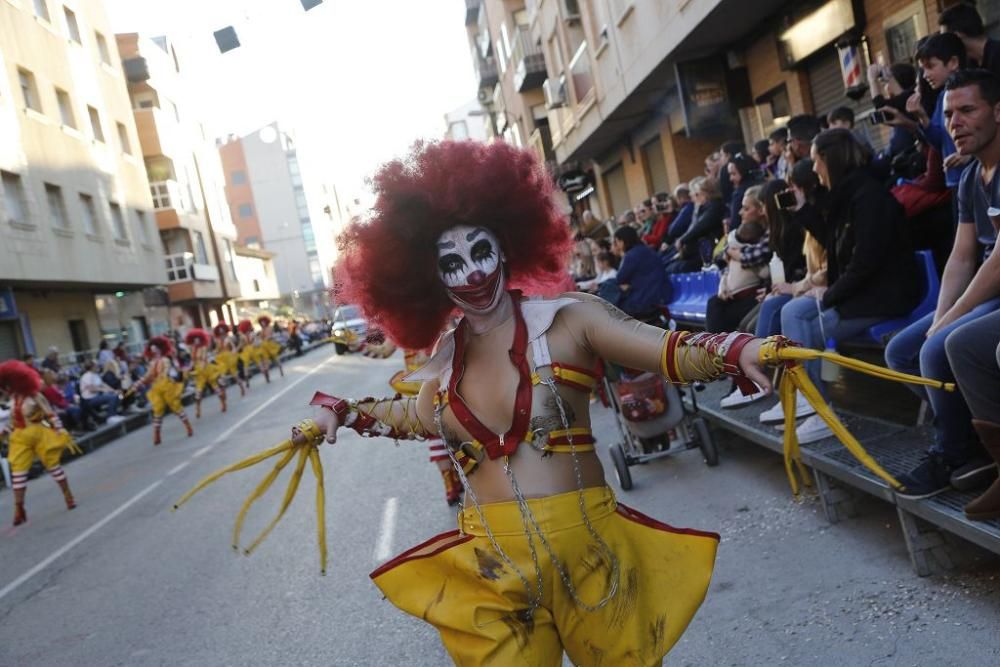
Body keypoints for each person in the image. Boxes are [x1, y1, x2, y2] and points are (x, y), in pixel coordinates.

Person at [299, 139, 774, 665]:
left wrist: (738, 347)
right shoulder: (445, 358)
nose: (473, 274)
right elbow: (417, 417)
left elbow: (669, 351)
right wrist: (341, 412)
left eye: (481, 252)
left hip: (590, 554)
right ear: (429, 277)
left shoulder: (571, 320)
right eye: (450, 263)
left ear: (506, 248)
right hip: (495, 570)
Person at [886, 69, 1000, 499]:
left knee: (941, 344)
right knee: (903, 350)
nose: (955, 122)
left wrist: (950, 318)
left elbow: (997, 265)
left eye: (968, 110)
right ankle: (972, 439)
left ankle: (953, 452)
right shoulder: (971, 176)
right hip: (988, 293)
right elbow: (963, 256)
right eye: (949, 113)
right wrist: (941, 314)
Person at [774, 129, 920, 444]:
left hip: (882, 297)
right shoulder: (847, 195)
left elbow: (865, 263)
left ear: (831, 159)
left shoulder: (868, 197)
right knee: (793, 313)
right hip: (861, 293)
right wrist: (802, 212)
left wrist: (829, 295)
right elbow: (835, 244)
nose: (812, 170)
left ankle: (819, 409)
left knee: (804, 330)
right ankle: (811, 401)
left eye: (815, 161)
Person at [885, 33, 970, 193]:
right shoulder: (941, 97)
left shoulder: (972, 92)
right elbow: (940, 142)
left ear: (953, 62)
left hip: (976, 177)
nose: (925, 75)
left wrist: (972, 156)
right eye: (923, 68)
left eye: (930, 66)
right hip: (955, 182)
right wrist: (922, 117)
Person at [0, 360, 77, 526]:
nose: (6, 387)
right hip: (20, 437)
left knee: (53, 467)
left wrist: (60, 429)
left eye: (8, 383)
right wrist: (4, 432)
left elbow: (51, 414)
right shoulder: (13, 399)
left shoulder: (36, 395)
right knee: (18, 473)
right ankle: (19, 509)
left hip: (39, 434)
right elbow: (13, 421)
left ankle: (68, 496)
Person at [132, 336, 192, 446]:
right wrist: (138, 383)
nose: (154, 350)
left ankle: (188, 427)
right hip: (157, 388)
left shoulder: (165, 360)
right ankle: (157, 435)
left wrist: (163, 376)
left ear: (161, 348)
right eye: (152, 348)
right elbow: (148, 375)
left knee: (176, 407)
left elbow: (166, 370)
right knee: (157, 410)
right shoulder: (152, 362)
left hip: (167, 386)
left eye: (156, 348)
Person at [667, 176, 726, 273]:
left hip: (707, 254)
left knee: (675, 269)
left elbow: (700, 227)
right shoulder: (702, 208)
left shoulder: (715, 207)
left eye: (696, 195)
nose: (693, 199)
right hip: (696, 253)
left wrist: (683, 240)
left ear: (705, 194)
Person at [612, 225, 669, 318]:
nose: (617, 245)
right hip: (663, 294)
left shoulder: (630, 255)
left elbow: (620, 279)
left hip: (646, 300)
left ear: (622, 242)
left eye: (617, 242)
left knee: (614, 308)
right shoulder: (648, 249)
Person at [939, 2, 1000, 78]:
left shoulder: (997, 54)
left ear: (958, 34)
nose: (944, 44)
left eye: (945, 38)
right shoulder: (969, 65)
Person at [185, 328, 227, 419]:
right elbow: (192, 361)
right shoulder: (193, 350)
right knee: (198, 392)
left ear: (200, 339)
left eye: (198, 338)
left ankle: (223, 403)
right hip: (199, 373)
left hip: (207, 370)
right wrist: (189, 368)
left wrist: (202, 366)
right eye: (194, 339)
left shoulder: (204, 348)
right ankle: (198, 409)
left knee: (215, 387)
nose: (196, 340)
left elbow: (204, 359)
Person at [212, 323, 246, 396]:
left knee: (235, 376)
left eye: (222, 329)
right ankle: (223, 392)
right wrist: (215, 352)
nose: (221, 331)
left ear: (224, 330)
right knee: (222, 374)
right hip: (222, 359)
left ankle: (242, 387)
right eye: (219, 330)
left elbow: (233, 346)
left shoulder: (228, 338)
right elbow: (217, 350)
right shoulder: (217, 340)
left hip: (229, 358)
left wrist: (234, 350)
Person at [256, 315, 284, 381]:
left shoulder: (270, 328)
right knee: (266, 361)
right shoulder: (261, 330)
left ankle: (281, 370)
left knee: (276, 358)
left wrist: (268, 338)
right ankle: (267, 377)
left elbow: (271, 335)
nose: (262, 323)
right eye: (261, 322)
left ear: (266, 322)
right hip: (264, 347)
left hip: (271, 346)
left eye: (263, 322)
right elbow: (261, 338)